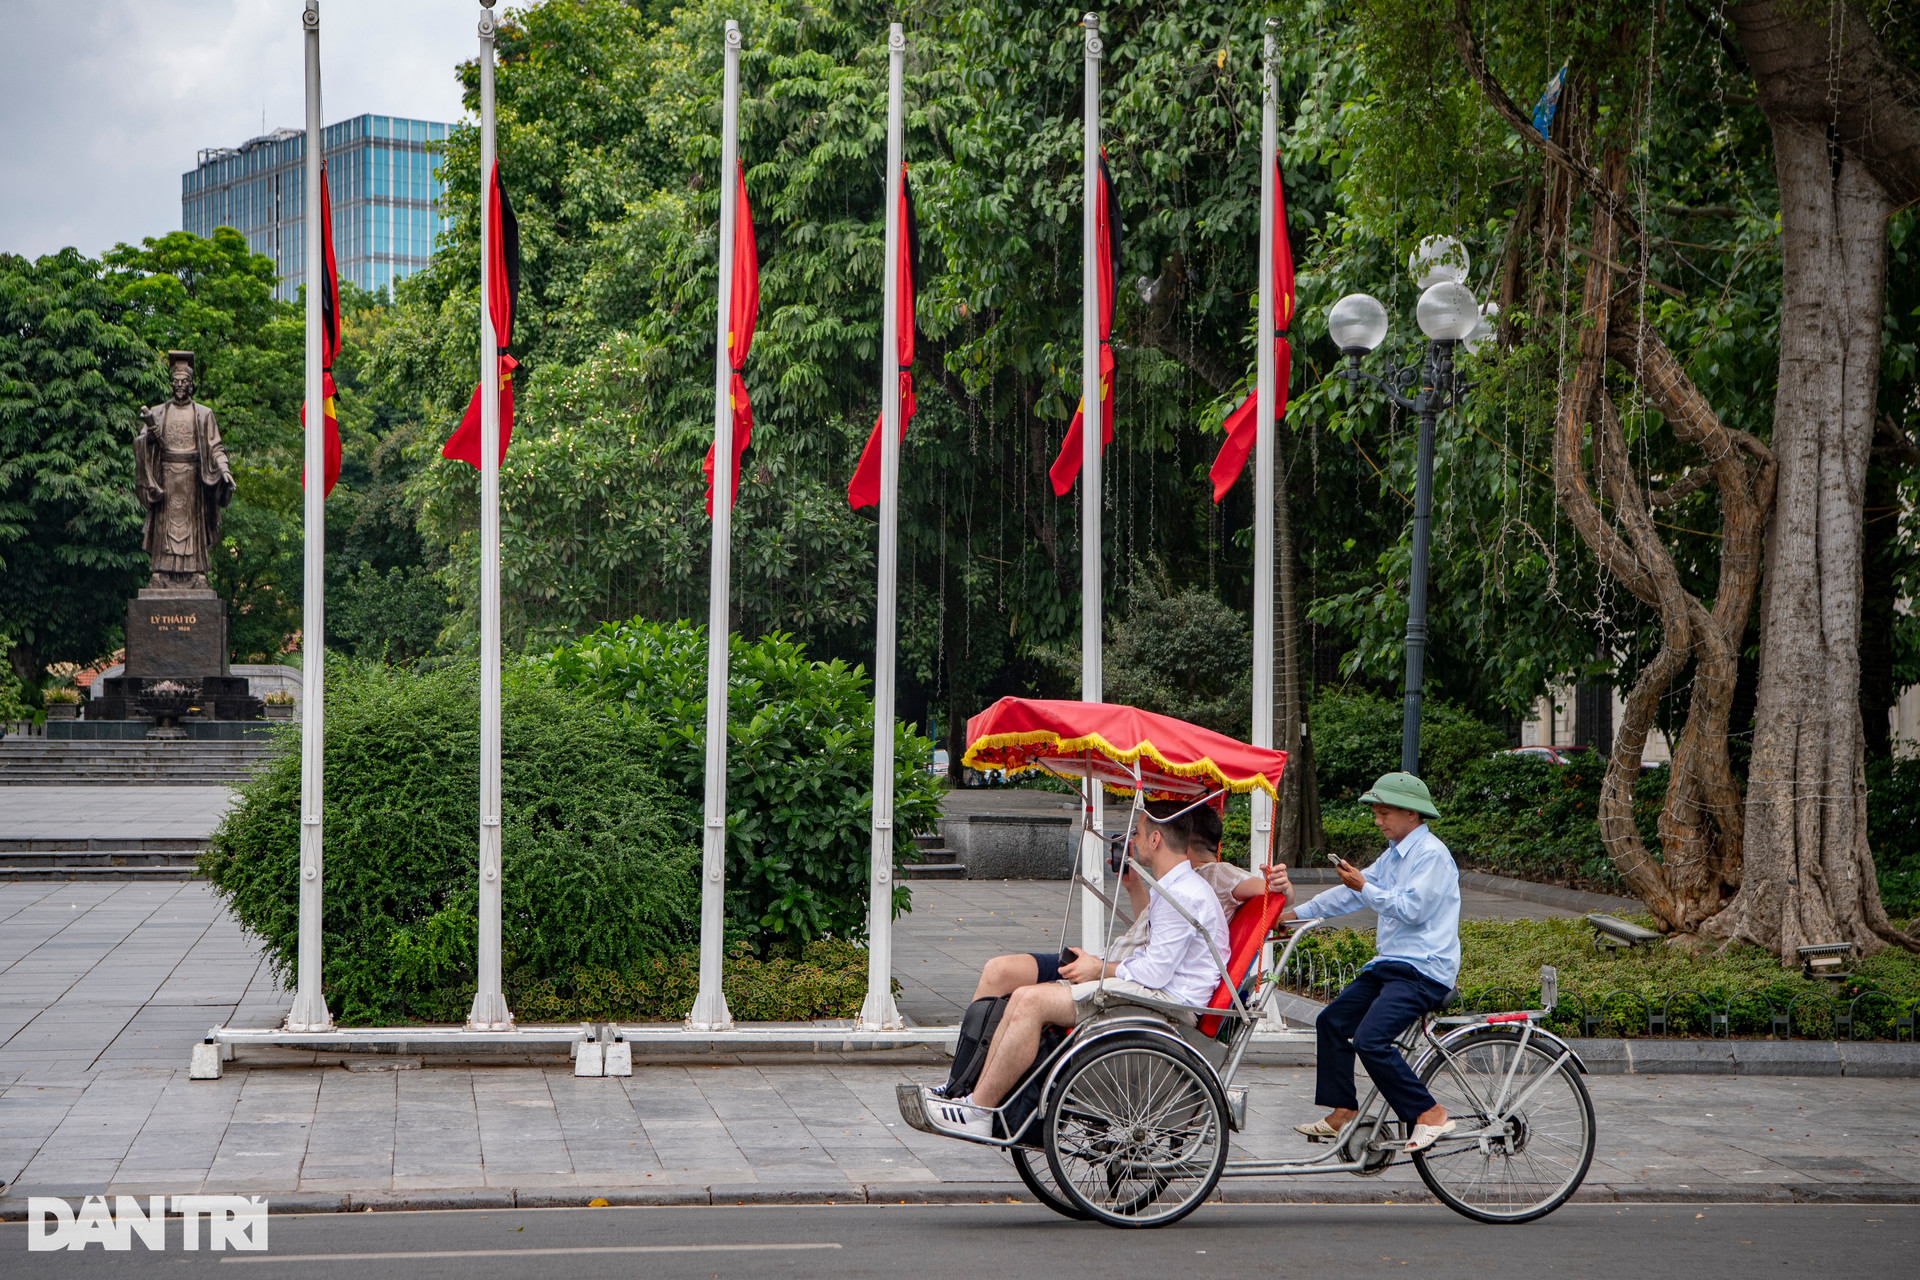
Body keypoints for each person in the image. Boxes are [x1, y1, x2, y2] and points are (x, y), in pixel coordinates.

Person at [933, 797, 1230, 1136]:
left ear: (1155, 840)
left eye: (1137, 833)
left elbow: (1156, 973)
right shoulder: (1174, 889)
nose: (1131, 840)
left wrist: (1099, 970)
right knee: (1022, 996)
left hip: (1167, 1005)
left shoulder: (1185, 895)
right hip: (1157, 992)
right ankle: (975, 1099)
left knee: (1032, 1001)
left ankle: (980, 1110)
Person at [1267, 772, 1461, 1153]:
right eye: (1376, 812)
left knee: (1371, 1040)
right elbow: (1348, 896)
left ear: (1411, 814)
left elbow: (1411, 909)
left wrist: (1364, 887)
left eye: (1384, 812)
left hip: (1423, 970)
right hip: (1390, 967)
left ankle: (1430, 1112)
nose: (1377, 820)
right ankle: (1344, 1111)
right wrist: (1293, 916)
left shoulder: (1432, 856)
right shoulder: (1393, 856)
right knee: (1331, 1022)